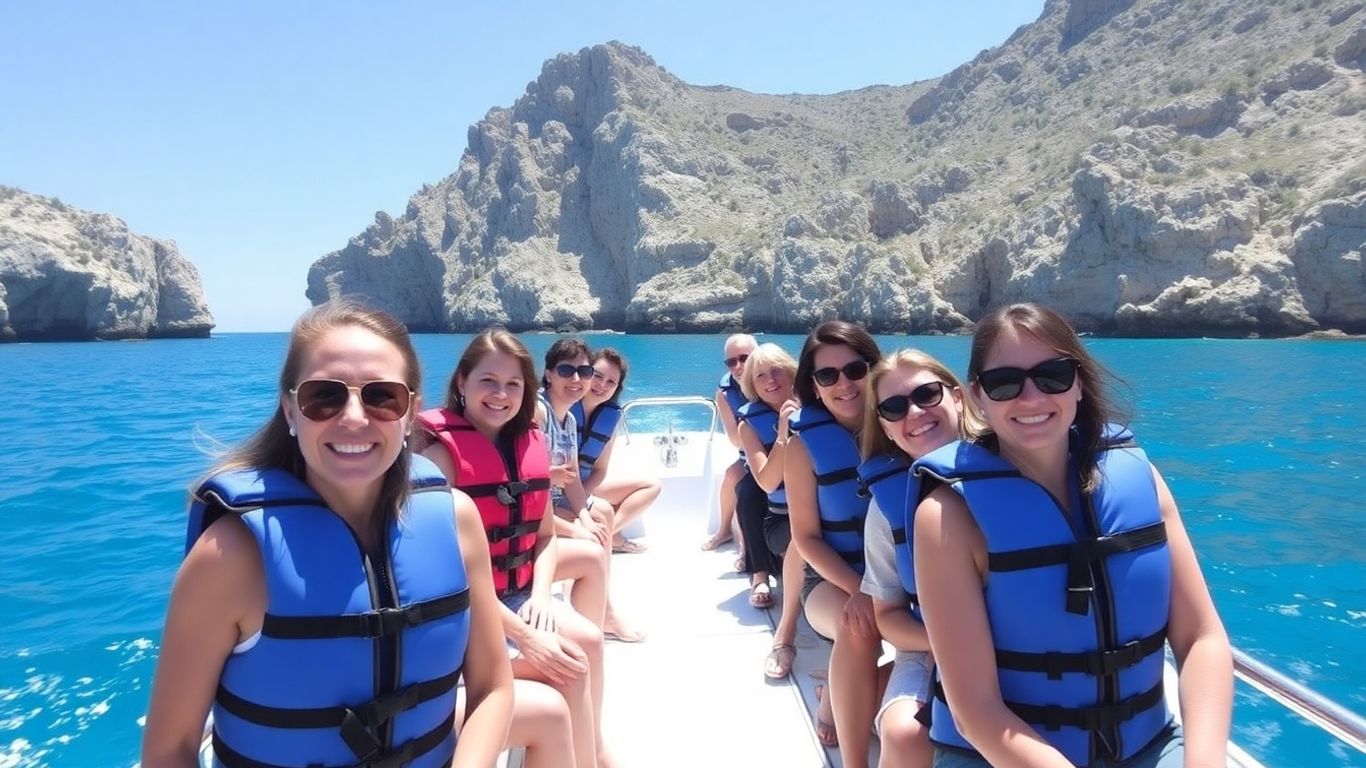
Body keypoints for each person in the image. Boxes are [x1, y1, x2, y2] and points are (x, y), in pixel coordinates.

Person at [142, 300, 513, 768]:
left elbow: (493, 688)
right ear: (291, 411)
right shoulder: (229, 558)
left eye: (382, 397)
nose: (354, 417)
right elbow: (169, 751)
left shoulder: (457, 521)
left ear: (411, 412)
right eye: (324, 397)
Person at [912, 303, 1233, 768]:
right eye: (1005, 383)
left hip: (1146, 745)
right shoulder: (946, 517)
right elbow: (976, 711)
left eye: (1053, 376)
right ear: (977, 398)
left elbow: (1202, 638)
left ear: (1078, 383)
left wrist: (1204, 762)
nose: (1030, 398)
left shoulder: (1142, 479)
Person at [418, 328, 610, 768]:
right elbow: (445, 571)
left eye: (513, 384)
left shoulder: (530, 441)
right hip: (466, 610)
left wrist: (541, 597)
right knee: (570, 663)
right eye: (488, 381)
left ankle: (592, 751)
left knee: (591, 642)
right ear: (461, 383)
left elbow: (544, 537)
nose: (500, 394)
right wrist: (525, 635)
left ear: (526, 390)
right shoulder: (438, 458)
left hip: (517, 593)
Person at [858, 350, 982, 768]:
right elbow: (888, 613)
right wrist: (952, 644)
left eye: (927, 395)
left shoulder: (1018, 469)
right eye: (893, 407)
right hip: (928, 648)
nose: (913, 412)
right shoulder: (887, 508)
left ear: (958, 397)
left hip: (1033, 642)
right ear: (886, 429)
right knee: (906, 733)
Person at [784, 320, 885, 762]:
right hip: (834, 579)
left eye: (855, 369)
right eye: (827, 376)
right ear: (814, 386)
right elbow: (805, 538)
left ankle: (838, 694)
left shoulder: (905, 426)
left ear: (874, 370)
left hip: (901, 577)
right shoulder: (802, 446)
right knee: (856, 626)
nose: (843, 384)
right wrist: (858, 589)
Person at [538, 337, 641, 645]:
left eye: (583, 372)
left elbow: (570, 480)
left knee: (602, 514)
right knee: (594, 546)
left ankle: (601, 613)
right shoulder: (538, 413)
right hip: (536, 511)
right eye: (567, 370)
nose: (577, 379)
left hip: (554, 502)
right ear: (548, 374)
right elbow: (530, 492)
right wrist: (577, 529)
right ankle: (592, 625)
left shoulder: (568, 419)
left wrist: (583, 518)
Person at [734, 342, 806, 680]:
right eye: (760, 375)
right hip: (782, 522)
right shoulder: (749, 425)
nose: (770, 380)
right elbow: (766, 481)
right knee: (802, 540)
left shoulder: (824, 407)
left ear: (793, 372)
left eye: (777, 370)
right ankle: (785, 634)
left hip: (830, 515)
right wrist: (782, 432)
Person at [572, 347, 662, 555]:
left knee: (652, 486)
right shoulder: (561, 408)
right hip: (561, 489)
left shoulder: (610, 418)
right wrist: (577, 502)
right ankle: (608, 537)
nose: (602, 385)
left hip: (586, 486)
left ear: (616, 388)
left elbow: (600, 470)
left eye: (611, 382)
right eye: (597, 376)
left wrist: (582, 496)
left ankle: (609, 534)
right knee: (602, 509)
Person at [704, 333, 757, 559]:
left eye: (744, 358)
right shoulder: (724, 393)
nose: (738, 366)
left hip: (782, 452)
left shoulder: (775, 381)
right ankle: (725, 530)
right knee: (731, 476)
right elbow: (735, 440)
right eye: (731, 361)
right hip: (749, 455)